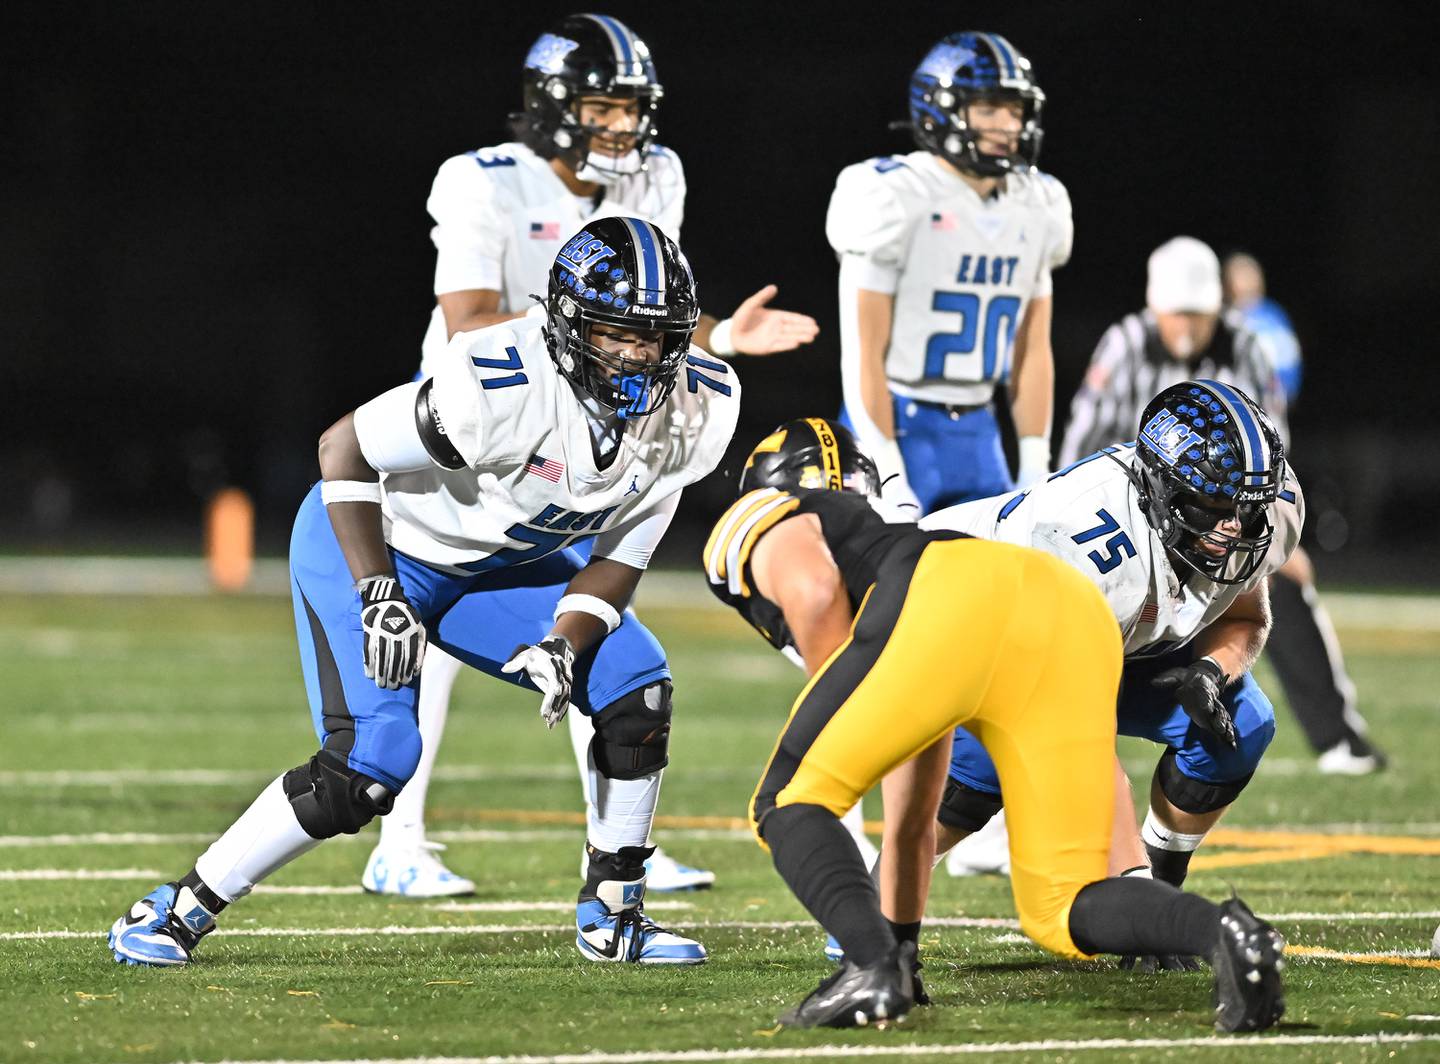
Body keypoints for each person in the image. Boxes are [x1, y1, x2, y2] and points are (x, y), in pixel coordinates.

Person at [109, 217, 737, 968]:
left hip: (496, 565)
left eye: (657, 337)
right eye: (615, 334)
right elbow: (342, 449)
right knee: (372, 764)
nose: (639, 357)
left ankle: (614, 917)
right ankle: (177, 908)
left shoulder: (702, 404)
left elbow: (621, 555)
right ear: (569, 322)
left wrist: (564, 645)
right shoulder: (499, 381)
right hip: (381, 543)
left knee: (636, 688)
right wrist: (378, 591)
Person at [368, 12, 820, 898]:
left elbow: (649, 312)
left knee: (596, 627)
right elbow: (466, 319)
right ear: (550, 107)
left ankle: (619, 844)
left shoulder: (658, 174)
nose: (623, 129)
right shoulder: (482, 181)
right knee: (432, 638)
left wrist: (718, 331)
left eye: (631, 110)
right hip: (479, 433)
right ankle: (400, 841)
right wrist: (581, 337)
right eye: (603, 109)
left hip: (597, 421)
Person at [702, 417, 1286, 1030]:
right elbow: (909, 819)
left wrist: (873, 963)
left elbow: (818, 593)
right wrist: (901, 951)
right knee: (1059, 906)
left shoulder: (762, 511)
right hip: (1064, 606)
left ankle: (869, 970)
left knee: (788, 800)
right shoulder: (892, 531)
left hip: (952, 604)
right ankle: (1224, 933)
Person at [923, 380, 1303, 970]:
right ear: (1161, 489)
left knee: (1242, 723)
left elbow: (1249, 615)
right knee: (968, 791)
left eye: (1245, 509)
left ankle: (1164, 881)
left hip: (1122, 637)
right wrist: (1136, 893)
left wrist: (1210, 669)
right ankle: (872, 923)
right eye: (1215, 507)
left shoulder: (1263, 509)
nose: (1234, 526)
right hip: (988, 628)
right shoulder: (1087, 546)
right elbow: (1081, 735)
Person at [1059, 237, 1381, 776]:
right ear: (1155, 308)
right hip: (1135, 523)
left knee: (1284, 575)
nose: (1186, 327)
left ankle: (1338, 737)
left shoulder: (1245, 345)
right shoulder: (1126, 344)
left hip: (1223, 525)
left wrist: (1280, 532)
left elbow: (1274, 454)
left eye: (1199, 315)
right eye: (1177, 315)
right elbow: (1081, 445)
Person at [826, 31, 1071, 518]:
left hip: (979, 431)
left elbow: (1031, 351)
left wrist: (1035, 463)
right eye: (989, 108)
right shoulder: (893, 195)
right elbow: (863, 356)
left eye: (1016, 110)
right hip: (894, 418)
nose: (1008, 124)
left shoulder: (1038, 204)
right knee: (874, 585)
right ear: (940, 109)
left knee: (1000, 584)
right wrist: (889, 471)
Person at [1223, 252, 1382, 774]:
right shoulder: (1138, 345)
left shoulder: (1255, 333)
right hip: (1164, 512)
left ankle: (1337, 736)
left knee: (1280, 587)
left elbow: (1274, 418)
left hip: (1235, 500)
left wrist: (1272, 528)